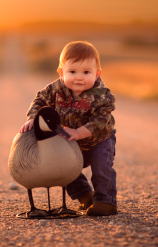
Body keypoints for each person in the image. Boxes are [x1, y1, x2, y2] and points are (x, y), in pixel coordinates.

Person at [19, 41, 117, 216]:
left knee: (102, 169)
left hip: (98, 141)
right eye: (72, 72)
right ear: (61, 72)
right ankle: (85, 196)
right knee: (64, 168)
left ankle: (105, 200)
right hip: (70, 139)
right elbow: (40, 101)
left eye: (86, 72)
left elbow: (101, 120)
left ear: (97, 74)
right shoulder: (55, 89)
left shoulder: (102, 95)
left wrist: (79, 133)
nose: (79, 77)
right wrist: (33, 117)